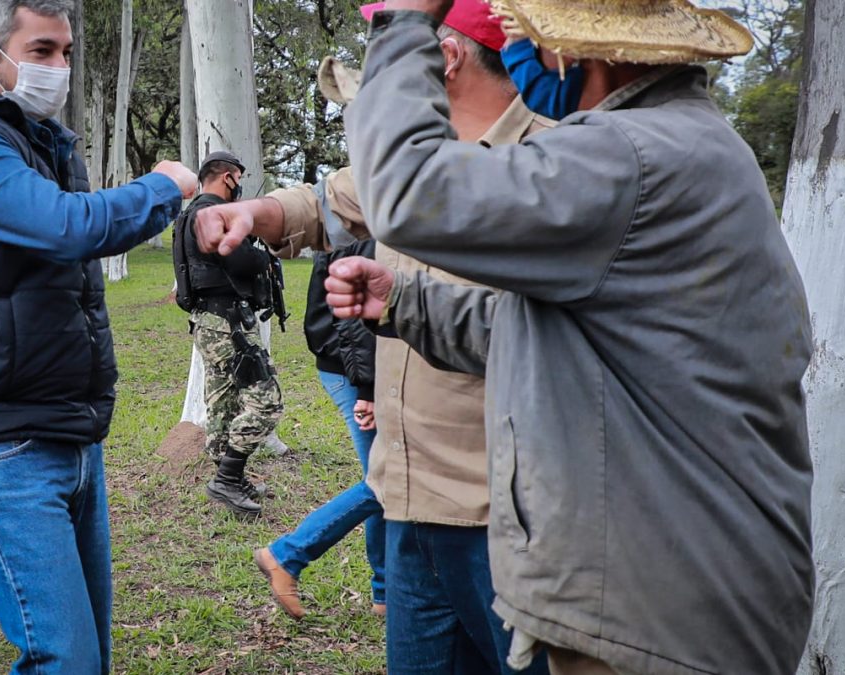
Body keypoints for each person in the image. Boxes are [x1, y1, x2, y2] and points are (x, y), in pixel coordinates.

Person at [314, 1, 814, 674]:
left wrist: (404, 24)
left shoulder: (628, 155)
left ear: (578, 55)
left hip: (658, 614)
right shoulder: (686, 145)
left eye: (536, 46)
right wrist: (406, 303)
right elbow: (550, 334)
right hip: (681, 587)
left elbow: (407, 196)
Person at [198, 2, 550, 672]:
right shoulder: (418, 152)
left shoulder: (549, 162)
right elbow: (326, 204)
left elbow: (532, 332)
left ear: (442, 56)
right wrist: (253, 210)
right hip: (406, 498)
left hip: (499, 516)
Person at [0, 1, 195, 672]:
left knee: (88, 656)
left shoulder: (44, 145)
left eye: (65, 53)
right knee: (64, 656)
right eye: (40, 51)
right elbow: (68, 227)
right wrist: (164, 186)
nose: (58, 68)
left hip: (67, 432)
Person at [254, 238, 386, 619]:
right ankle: (286, 555)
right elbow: (354, 319)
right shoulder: (360, 222)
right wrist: (369, 388)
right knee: (387, 478)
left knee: (383, 479)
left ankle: (385, 594)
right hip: (354, 370)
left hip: (359, 369)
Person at [173, 150, 284, 518]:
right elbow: (240, 260)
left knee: (222, 401)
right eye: (239, 177)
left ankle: (230, 480)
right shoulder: (212, 214)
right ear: (228, 177)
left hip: (208, 321)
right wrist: (262, 252)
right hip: (228, 324)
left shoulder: (189, 214)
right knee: (266, 399)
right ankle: (228, 477)